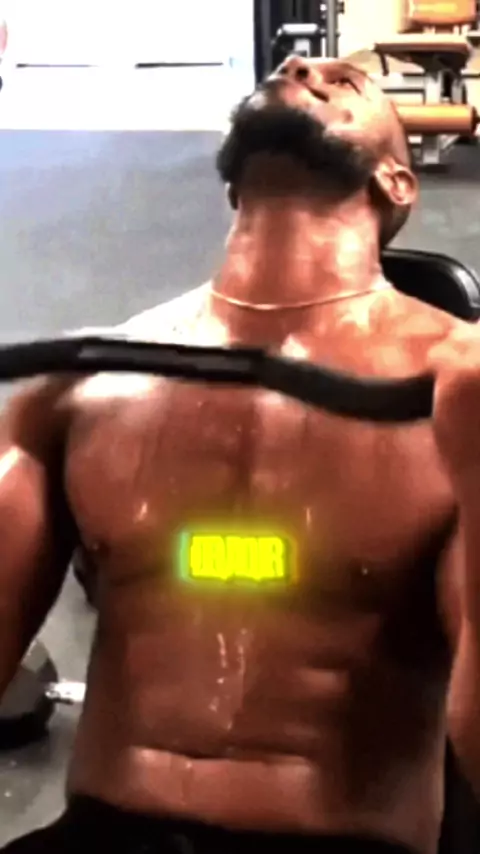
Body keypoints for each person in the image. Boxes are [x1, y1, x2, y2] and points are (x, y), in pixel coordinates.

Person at [1, 55, 480, 854]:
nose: (304, 64)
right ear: (232, 187)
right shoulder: (76, 386)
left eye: (350, 83)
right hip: (105, 837)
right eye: (292, 67)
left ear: (397, 182)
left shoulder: (456, 396)